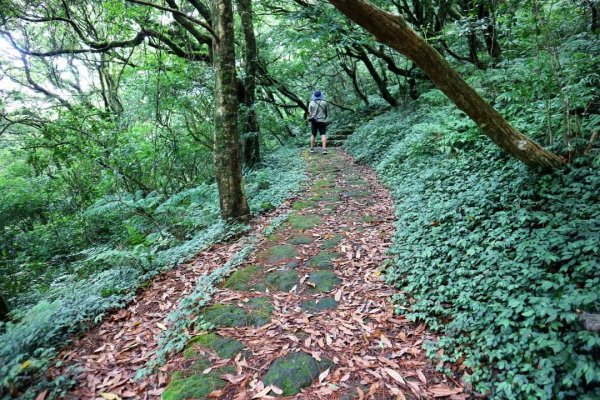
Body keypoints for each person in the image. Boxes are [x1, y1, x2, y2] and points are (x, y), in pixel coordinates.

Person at [307, 90, 330, 154]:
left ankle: (312, 149)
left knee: (313, 134)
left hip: (314, 121)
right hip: (322, 120)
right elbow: (326, 112)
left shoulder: (311, 103)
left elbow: (310, 114)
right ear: (321, 95)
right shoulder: (324, 102)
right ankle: (324, 149)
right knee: (323, 134)